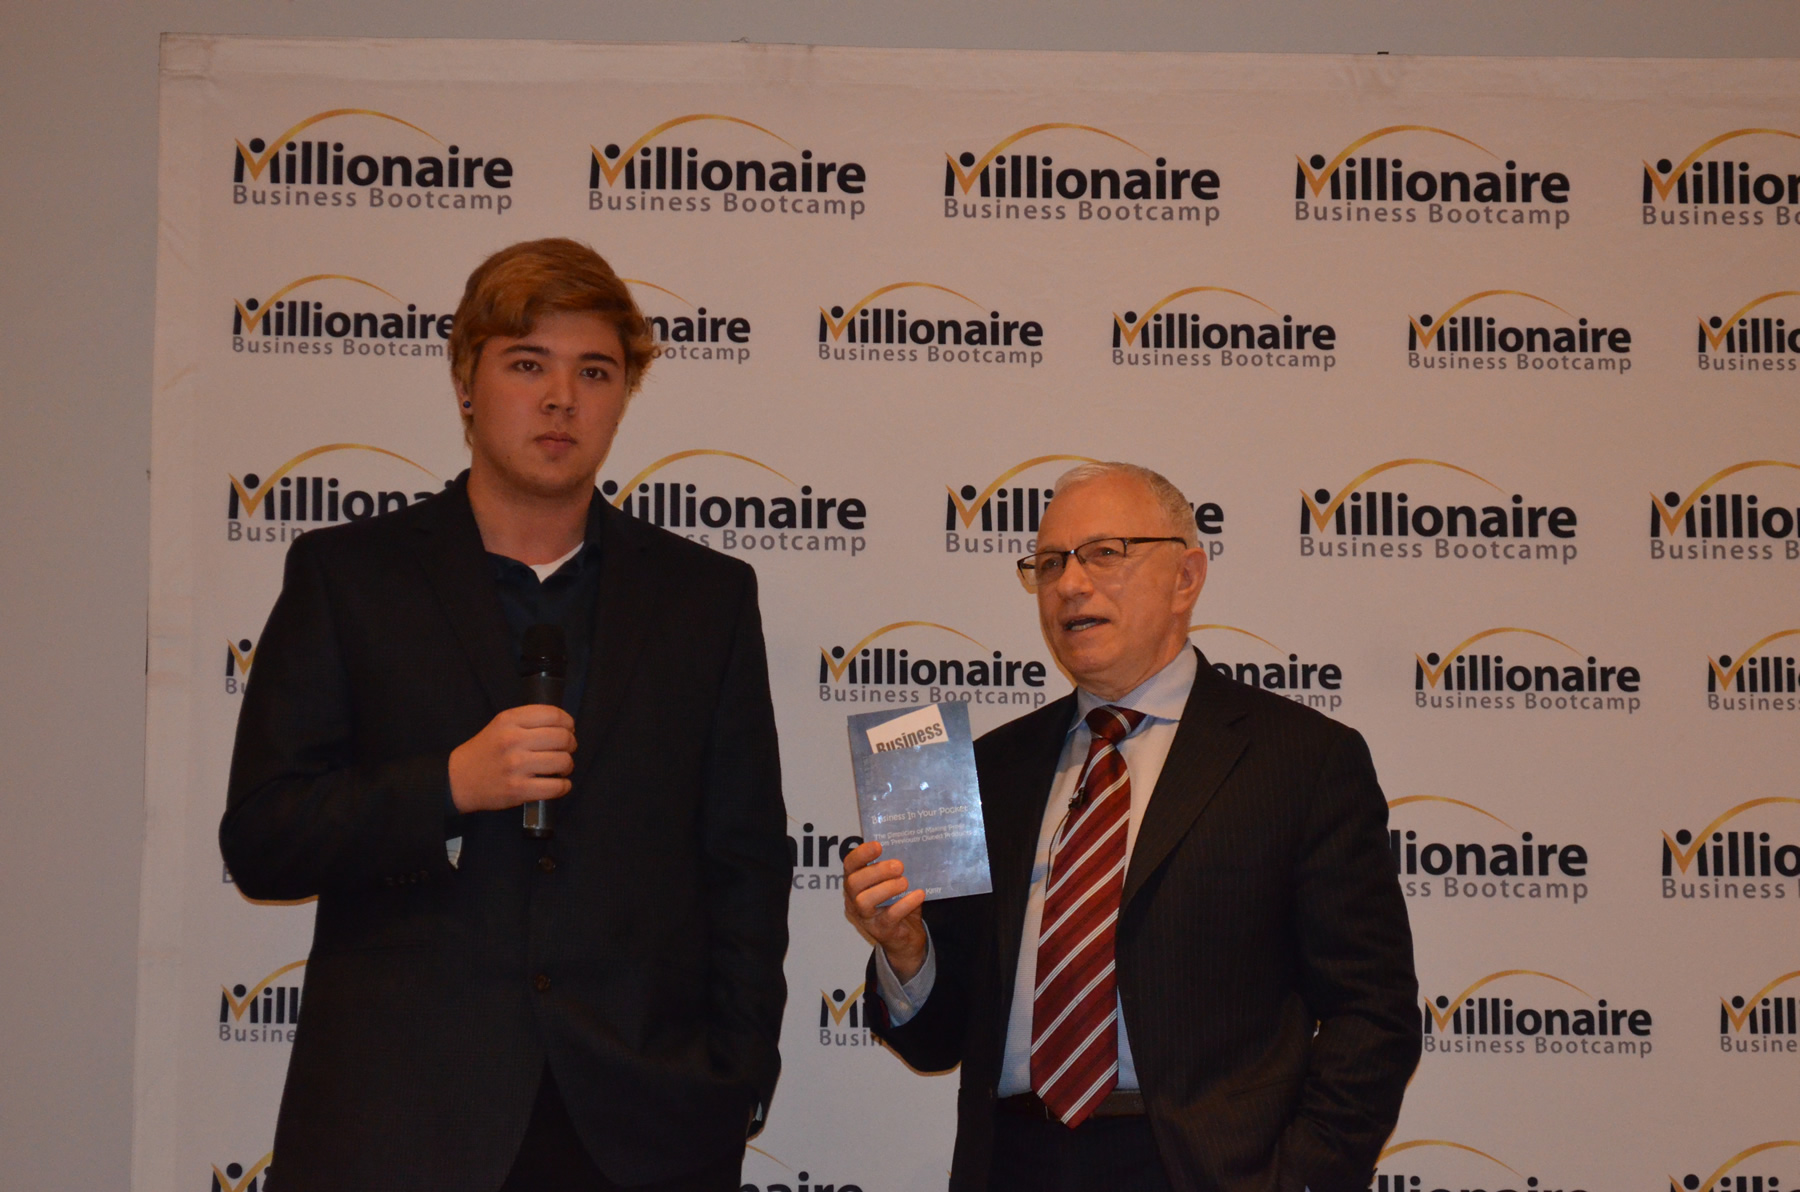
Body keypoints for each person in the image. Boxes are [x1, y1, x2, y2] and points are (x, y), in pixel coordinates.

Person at [222, 238, 790, 1192]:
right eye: (529, 365)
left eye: (594, 372)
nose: (562, 398)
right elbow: (264, 836)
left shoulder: (705, 598)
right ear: (465, 384)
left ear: (622, 397)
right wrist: (447, 785)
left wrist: (735, 1078)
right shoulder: (349, 577)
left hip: (641, 1127)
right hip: (398, 1124)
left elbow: (746, 862)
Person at [842, 462, 1419, 1192]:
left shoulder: (1300, 761)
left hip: (1204, 1170)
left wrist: (1298, 1177)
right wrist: (906, 951)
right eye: (1050, 562)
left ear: (1186, 577)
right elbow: (937, 1041)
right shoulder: (992, 769)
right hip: (1013, 1164)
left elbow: (1373, 1011)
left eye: (1104, 553)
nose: (1070, 584)